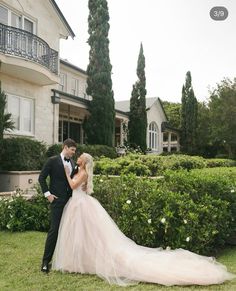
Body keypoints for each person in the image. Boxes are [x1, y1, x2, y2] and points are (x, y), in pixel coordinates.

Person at [53, 153, 235, 286]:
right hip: (77, 205)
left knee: (92, 235)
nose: (78, 158)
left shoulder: (82, 173)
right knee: (82, 235)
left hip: (82, 205)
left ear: (84, 162)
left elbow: (73, 184)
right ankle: (77, 262)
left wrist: (65, 171)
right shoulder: (78, 170)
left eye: (80, 157)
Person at [39, 138, 77, 273]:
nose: (73, 153)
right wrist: (47, 194)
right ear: (65, 147)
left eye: (74, 151)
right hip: (57, 201)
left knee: (69, 231)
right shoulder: (52, 160)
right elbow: (41, 178)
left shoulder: (72, 162)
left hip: (71, 202)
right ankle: (45, 262)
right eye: (72, 150)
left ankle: (67, 261)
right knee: (54, 230)